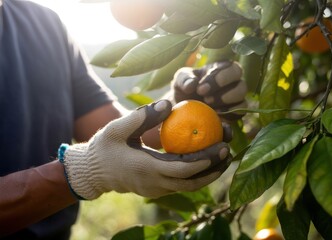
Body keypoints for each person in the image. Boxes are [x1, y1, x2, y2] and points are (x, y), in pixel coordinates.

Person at [0, 0, 247, 239]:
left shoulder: (44, 25)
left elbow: (112, 133)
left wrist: (181, 104)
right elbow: (99, 159)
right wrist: (84, 171)